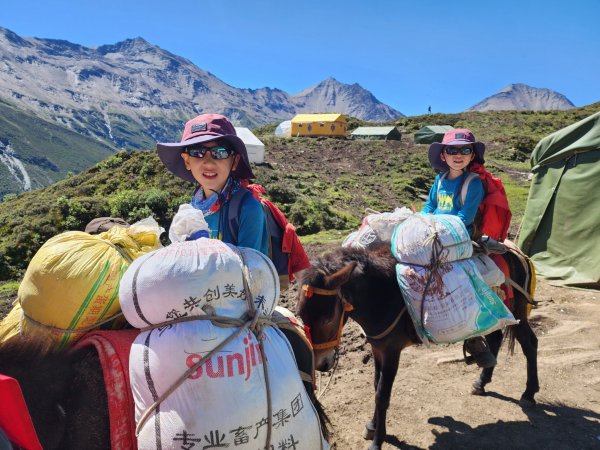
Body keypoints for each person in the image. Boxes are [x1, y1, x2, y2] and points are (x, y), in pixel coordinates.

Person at [423, 128, 497, 369]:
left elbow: (465, 217)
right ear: (443, 155)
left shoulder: (473, 183)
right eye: (452, 150)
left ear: (472, 156)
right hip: (435, 235)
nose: (458, 154)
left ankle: (474, 338)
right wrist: (420, 223)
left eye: (465, 150)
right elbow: (429, 207)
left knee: (458, 278)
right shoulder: (440, 180)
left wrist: (438, 229)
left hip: (458, 239)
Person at [157, 113, 269, 255]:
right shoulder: (191, 211)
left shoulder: (247, 208)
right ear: (187, 161)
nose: (209, 162)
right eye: (198, 152)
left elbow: (251, 271)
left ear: (234, 161)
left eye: (220, 152)